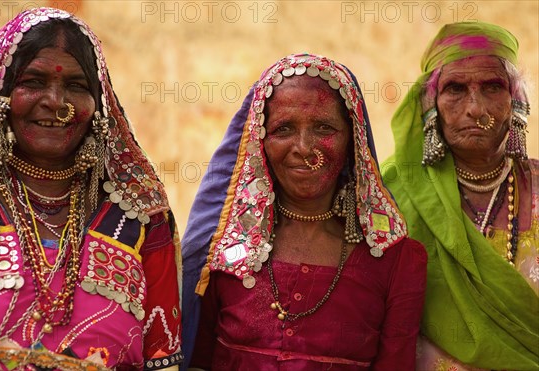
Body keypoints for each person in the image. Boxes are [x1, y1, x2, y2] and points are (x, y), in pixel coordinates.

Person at [0, 8, 183, 371]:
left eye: (76, 86)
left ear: (98, 105)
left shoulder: (142, 215)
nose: (56, 101)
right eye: (33, 81)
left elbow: (162, 360)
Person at [181, 53, 427, 370]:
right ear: (260, 140)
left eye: (324, 127)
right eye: (283, 129)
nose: (304, 147)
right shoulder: (224, 251)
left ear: (353, 139)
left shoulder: (395, 261)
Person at [382, 21, 539, 370]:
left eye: (493, 87)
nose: (475, 109)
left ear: (517, 101)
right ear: (429, 105)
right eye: (455, 89)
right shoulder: (390, 196)